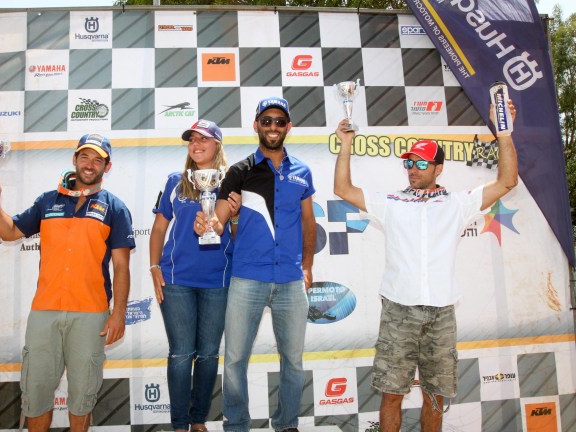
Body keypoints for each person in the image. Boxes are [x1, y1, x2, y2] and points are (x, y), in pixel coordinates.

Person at [333, 100, 518, 432]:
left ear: (438, 168)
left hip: (441, 314)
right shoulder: (391, 202)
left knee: (435, 397)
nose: (413, 169)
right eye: (409, 163)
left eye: (421, 163)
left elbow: (506, 182)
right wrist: (345, 145)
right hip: (398, 312)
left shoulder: (458, 203)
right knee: (392, 395)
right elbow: (342, 189)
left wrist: (503, 132)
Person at [0, 134, 135, 432]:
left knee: (82, 398)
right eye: (84, 157)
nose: (90, 164)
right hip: (44, 312)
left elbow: (122, 267)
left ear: (107, 167)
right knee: (36, 396)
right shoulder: (47, 201)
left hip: (91, 314)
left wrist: (119, 314)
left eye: (97, 159)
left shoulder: (115, 207)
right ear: (74, 159)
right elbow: (9, 232)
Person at [195, 97, 316, 432]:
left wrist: (307, 266)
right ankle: (236, 425)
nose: (273, 127)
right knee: (235, 360)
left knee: (293, 361)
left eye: (279, 121)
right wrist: (206, 224)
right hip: (247, 277)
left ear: (288, 127)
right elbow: (218, 220)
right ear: (256, 125)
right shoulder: (239, 171)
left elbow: (309, 223)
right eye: (266, 121)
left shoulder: (302, 172)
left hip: (290, 279)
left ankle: (287, 424)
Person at [149, 119, 240, 432]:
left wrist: (234, 217)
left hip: (218, 281)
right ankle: (179, 424)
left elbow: (240, 235)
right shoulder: (175, 182)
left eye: (204, 139)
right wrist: (154, 267)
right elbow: (159, 229)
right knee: (180, 354)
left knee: (208, 355)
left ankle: (198, 419)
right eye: (192, 140)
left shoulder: (233, 182)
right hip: (177, 281)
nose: (196, 145)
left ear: (218, 145)